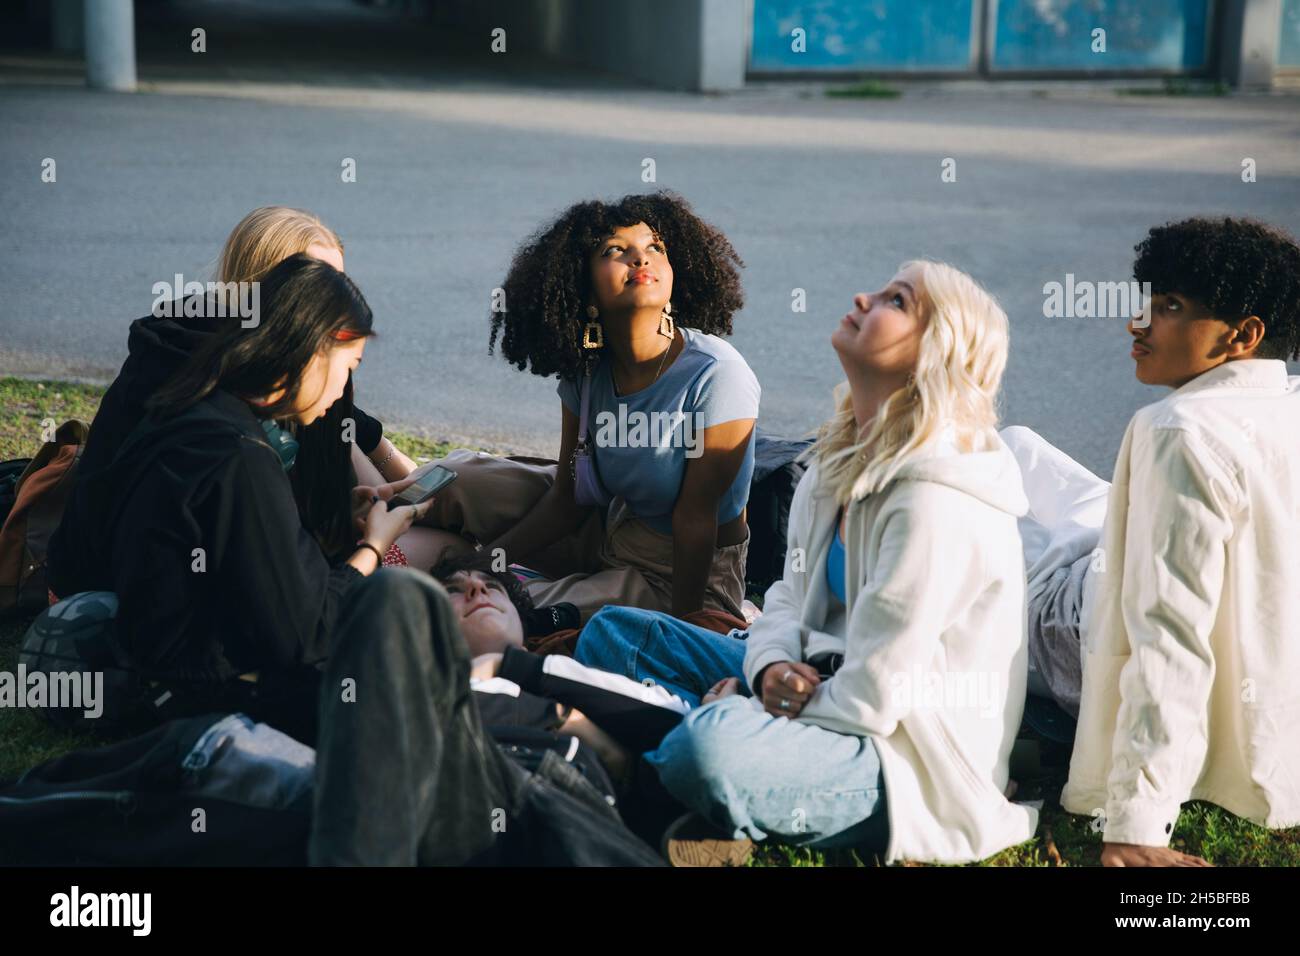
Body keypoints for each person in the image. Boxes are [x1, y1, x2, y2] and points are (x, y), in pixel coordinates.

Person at [580, 260, 1038, 865]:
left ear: (935, 354)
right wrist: (768, 669)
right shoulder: (843, 455)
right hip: (813, 683)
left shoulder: (936, 501)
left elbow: (877, 697)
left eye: (896, 301)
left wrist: (745, 706)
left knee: (710, 748)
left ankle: (683, 761)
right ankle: (709, 777)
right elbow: (787, 598)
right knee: (619, 635)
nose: (862, 296)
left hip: (900, 754)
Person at [46, 255, 423, 745]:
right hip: (197, 695)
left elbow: (247, 558)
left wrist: (340, 517)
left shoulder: (194, 405)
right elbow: (305, 637)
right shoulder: (241, 455)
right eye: (347, 368)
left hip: (159, 660)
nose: (342, 391)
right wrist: (373, 548)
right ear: (312, 350)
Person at [1054, 217, 1300, 867]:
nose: (1138, 325)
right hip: (1265, 708)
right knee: (1025, 453)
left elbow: (1168, 634)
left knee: (1006, 486)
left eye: (1168, 308)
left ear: (1243, 335)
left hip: (1066, 612)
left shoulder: (1180, 428)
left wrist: (1137, 822)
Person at [418, 192, 760, 621]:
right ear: (586, 290)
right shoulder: (586, 371)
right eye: (617, 251)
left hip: (678, 577)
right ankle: (380, 520)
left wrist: (686, 631)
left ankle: (436, 585)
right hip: (605, 525)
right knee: (455, 480)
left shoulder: (716, 374)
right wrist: (486, 564)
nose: (641, 259)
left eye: (655, 248)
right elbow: (567, 499)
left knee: (518, 610)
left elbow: (695, 522)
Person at [48, 205, 434, 579]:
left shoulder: (192, 347)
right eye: (316, 286)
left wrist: (356, 509)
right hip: (120, 590)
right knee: (435, 552)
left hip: (121, 578)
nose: (336, 304)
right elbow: (297, 610)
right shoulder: (231, 420)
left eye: (340, 284)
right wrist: (371, 548)